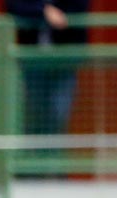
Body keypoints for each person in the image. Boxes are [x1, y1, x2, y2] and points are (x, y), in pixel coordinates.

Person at [6, 0, 89, 142]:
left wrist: (55, 14)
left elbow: (78, 7)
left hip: (64, 60)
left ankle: (53, 159)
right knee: (33, 112)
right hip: (32, 61)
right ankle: (31, 159)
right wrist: (43, 10)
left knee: (59, 112)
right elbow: (14, 5)